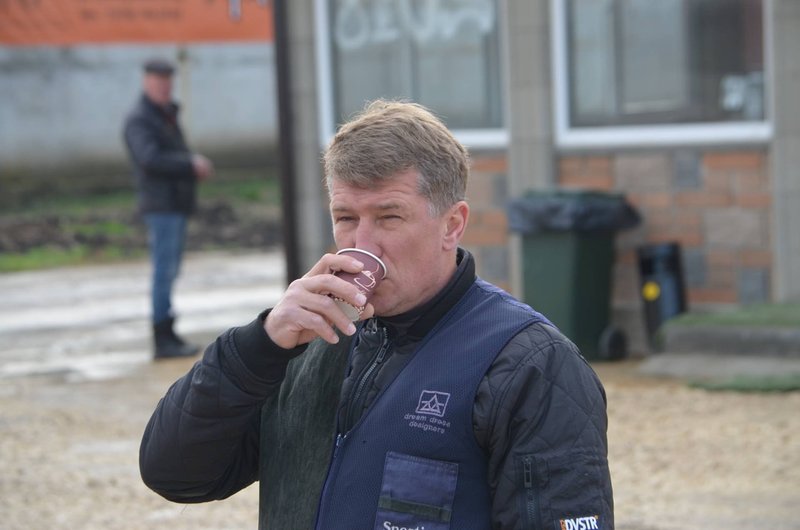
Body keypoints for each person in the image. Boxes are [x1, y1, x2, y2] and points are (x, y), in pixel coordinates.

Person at [139, 100, 614, 528]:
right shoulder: (305, 342)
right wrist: (257, 346)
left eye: (389, 217)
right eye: (346, 218)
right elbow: (176, 475)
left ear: (452, 225)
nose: (362, 244)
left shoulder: (528, 363)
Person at [123, 58, 214, 359]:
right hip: (161, 206)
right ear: (146, 82)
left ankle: (168, 330)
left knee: (170, 271)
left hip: (174, 204)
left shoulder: (165, 115)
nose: (164, 87)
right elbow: (149, 159)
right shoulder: (141, 119)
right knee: (164, 272)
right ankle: (162, 337)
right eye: (158, 81)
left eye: (168, 82)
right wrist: (189, 164)